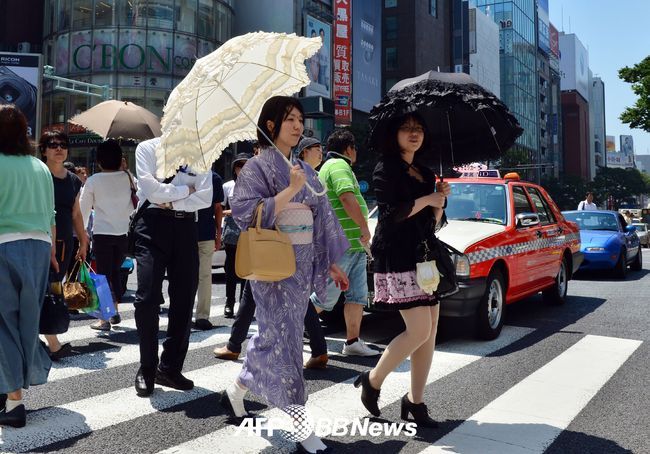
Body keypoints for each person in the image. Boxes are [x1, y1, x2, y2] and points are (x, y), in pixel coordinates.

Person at [221, 96, 349, 454]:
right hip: (272, 265)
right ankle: (301, 426)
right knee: (288, 340)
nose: (297, 126)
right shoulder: (255, 168)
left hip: (302, 265)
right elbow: (246, 215)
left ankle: (236, 390)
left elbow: (321, 218)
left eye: (300, 119)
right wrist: (290, 190)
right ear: (271, 125)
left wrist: (330, 263)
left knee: (272, 335)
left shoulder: (304, 169)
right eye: (290, 119)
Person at [354, 112, 451, 428]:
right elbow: (392, 215)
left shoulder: (426, 171)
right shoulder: (386, 168)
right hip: (397, 254)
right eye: (407, 128)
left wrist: (439, 204)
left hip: (424, 255)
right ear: (394, 134)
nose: (414, 133)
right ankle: (372, 380)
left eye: (419, 128)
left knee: (430, 330)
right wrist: (428, 198)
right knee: (419, 330)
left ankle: (415, 401)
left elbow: (432, 223)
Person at [213, 138, 331, 370]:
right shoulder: (299, 172)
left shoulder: (285, 171)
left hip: (274, 240)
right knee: (292, 295)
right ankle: (318, 349)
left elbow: (253, 208)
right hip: (296, 243)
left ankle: (237, 346)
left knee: (258, 294)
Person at [132, 137, 212, 397]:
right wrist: (186, 191)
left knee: (184, 298)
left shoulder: (202, 153)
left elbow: (205, 197)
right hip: (151, 225)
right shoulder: (147, 148)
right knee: (146, 298)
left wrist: (171, 199)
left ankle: (170, 367)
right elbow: (151, 191)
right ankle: (147, 367)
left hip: (186, 226)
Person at [0, 104, 56, 427]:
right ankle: (11, 390)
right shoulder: (40, 167)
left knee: (3, 323)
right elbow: (50, 215)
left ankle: (14, 401)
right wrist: (51, 252)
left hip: (4, 244)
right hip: (39, 247)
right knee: (27, 323)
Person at [310, 130, 379, 357]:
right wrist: (363, 227)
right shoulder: (338, 166)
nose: (356, 152)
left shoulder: (331, 166)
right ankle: (287, 331)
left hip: (353, 245)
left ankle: (353, 342)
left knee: (357, 296)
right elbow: (346, 197)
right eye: (355, 148)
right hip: (343, 244)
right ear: (349, 149)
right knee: (325, 297)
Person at [40, 131, 89, 360]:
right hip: (40, 240)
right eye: (53, 144)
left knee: (53, 289)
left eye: (63, 144)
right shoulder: (38, 174)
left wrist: (83, 239)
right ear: (44, 150)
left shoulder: (73, 180)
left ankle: (45, 340)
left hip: (64, 243)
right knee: (45, 289)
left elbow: (76, 213)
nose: (59, 148)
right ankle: (53, 344)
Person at [79, 140, 134, 330]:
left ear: (99, 161)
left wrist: (82, 235)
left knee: (102, 275)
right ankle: (114, 311)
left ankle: (105, 318)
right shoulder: (128, 178)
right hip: (124, 233)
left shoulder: (94, 180)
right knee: (115, 272)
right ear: (120, 159)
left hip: (102, 234)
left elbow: (83, 211)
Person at [193, 169, 224, 330]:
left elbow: (218, 208)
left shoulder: (214, 178)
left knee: (204, 275)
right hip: (185, 234)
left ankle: (202, 316)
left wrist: (218, 235)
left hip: (205, 233)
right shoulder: (184, 174)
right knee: (184, 276)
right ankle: (186, 314)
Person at [221, 154, 250, 318]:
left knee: (246, 270)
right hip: (232, 230)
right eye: (239, 166)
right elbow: (219, 209)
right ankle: (229, 303)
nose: (242, 169)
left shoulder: (256, 186)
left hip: (248, 230)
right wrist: (233, 212)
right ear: (234, 169)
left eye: (246, 165)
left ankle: (243, 305)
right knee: (230, 270)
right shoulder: (228, 186)